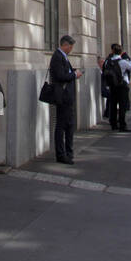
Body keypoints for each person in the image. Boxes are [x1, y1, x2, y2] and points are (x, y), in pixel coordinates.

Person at [48, 34, 83, 164]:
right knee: (62, 125)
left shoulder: (63, 57)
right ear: (65, 45)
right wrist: (74, 74)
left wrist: (72, 72)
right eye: (71, 47)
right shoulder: (57, 56)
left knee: (69, 125)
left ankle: (68, 152)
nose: (71, 49)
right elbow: (60, 75)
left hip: (67, 96)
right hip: (62, 97)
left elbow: (64, 73)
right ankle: (61, 154)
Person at [100, 44, 131, 132]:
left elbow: (104, 70)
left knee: (112, 104)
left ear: (112, 51)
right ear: (121, 52)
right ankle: (122, 125)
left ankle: (113, 123)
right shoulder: (123, 61)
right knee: (122, 105)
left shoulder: (108, 61)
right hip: (122, 85)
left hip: (112, 85)